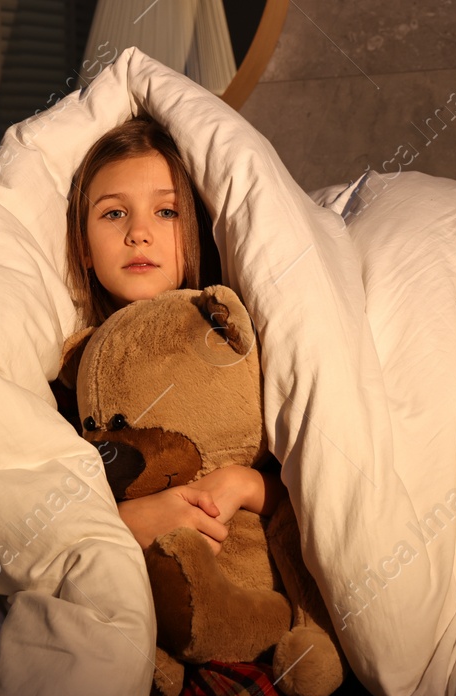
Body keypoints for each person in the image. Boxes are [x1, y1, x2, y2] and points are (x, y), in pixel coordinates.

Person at [59, 115, 287, 558]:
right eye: (114, 213)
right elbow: (46, 518)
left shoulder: (231, 332)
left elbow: (309, 495)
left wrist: (245, 483)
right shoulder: (77, 375)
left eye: (166, 212)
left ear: (196, 233)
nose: (139, 234)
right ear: (84, 248)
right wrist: (129, 520)